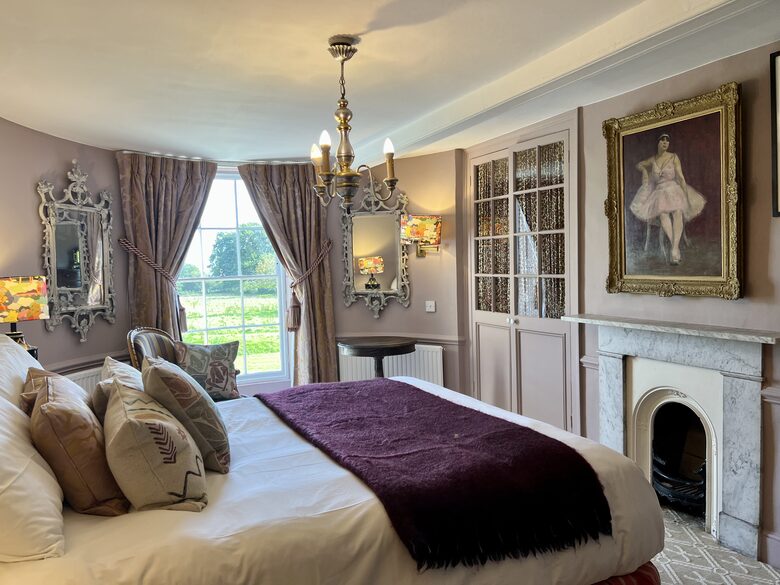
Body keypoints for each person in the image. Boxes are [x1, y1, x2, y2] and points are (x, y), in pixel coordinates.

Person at [629, 133, 705, 264]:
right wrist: (645, 171)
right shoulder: (653, 159)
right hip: (659, 191)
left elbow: (680, 177)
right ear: (658, 143)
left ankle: (674, 249)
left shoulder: (674, 157)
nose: (665, 143)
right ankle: (675, 247)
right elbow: (639, 164)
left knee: (677, 212)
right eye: (662, 140)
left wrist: (686, 195)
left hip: (673, 189)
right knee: (663, 213)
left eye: (667, 141)